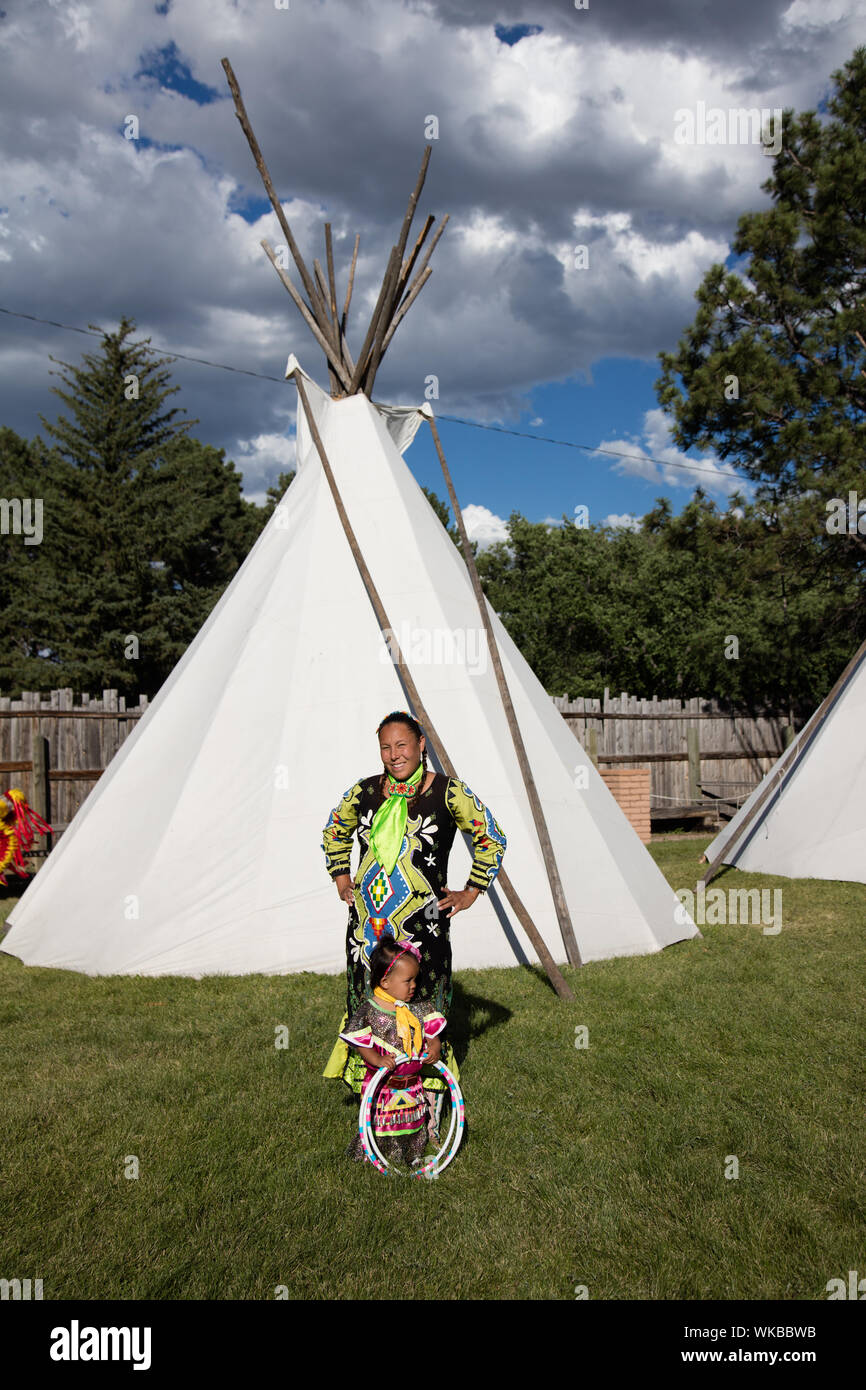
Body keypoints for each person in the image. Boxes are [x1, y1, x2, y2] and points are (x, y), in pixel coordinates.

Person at [321, 708, 506, 1132]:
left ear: (421, 744)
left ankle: (427, 1100)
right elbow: (335, 829)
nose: (393, 754)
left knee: (420, 1005)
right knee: (371, 1004)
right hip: (368, 930)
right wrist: (341, 876)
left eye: (401, 744)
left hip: (422, 929)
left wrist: (471, 891)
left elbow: (491, 837)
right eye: (385, 747)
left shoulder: (448, 792)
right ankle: (372, 1095)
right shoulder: (365, 792)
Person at [340, 937, 445, 1166]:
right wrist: (376, 1059)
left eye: (415, 979)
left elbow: (432, 1034)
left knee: (412, 1122)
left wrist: (434, 1048)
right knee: (381, 1123)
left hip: (411, 1083)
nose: (414, 985)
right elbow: (360, 1041)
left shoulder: (418, 1008)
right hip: (383, 1084)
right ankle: (376, 1154)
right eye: (408, 981)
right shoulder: (370, 1009)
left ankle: (412, 1154)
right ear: (386, 981)